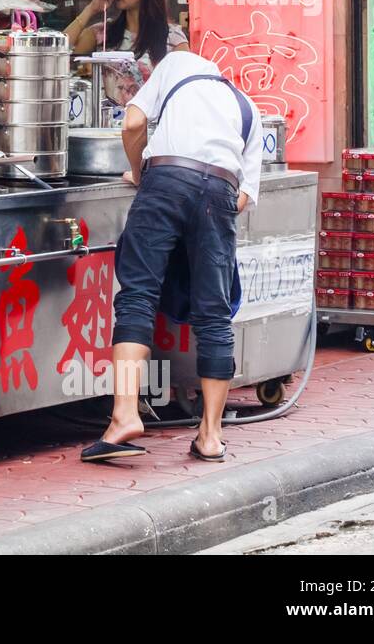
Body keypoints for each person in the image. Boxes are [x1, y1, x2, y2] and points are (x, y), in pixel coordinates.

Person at [80, 50, 263, 465]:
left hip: (165, 177)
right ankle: (211, 436)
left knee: (138, 296)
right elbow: (243, 196)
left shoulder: (177, 64)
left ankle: (124, 416)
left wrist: (142, 175)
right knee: (214, 313)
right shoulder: (248, 107)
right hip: (221, 191)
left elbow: (132, 122)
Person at [63, 0, 188, 108]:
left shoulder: (173, 40)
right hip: (103, 129)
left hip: (152, 130)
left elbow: (186, 93)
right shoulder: (101, 34)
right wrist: (91, 9)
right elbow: (55, 56)